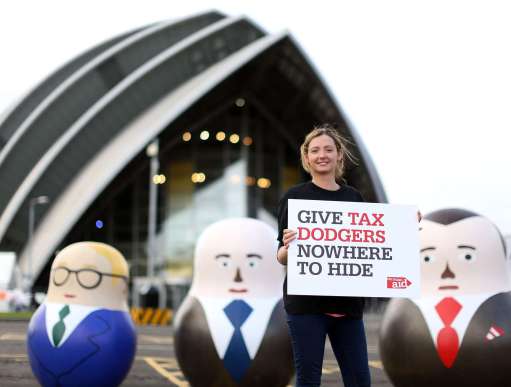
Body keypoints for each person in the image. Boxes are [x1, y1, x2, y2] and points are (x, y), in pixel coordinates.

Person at [276, 124, 371, 387]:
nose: (322, 155)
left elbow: (370, 243)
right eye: (315, 150)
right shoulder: (294, 197)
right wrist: (288, 247)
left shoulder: (354, 198)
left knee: (360, 380)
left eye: (329, 149)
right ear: (306, 158)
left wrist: (404, 226)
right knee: (308, 380)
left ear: (339, 155)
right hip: (307, 306)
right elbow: (281, 256)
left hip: (347, 306)